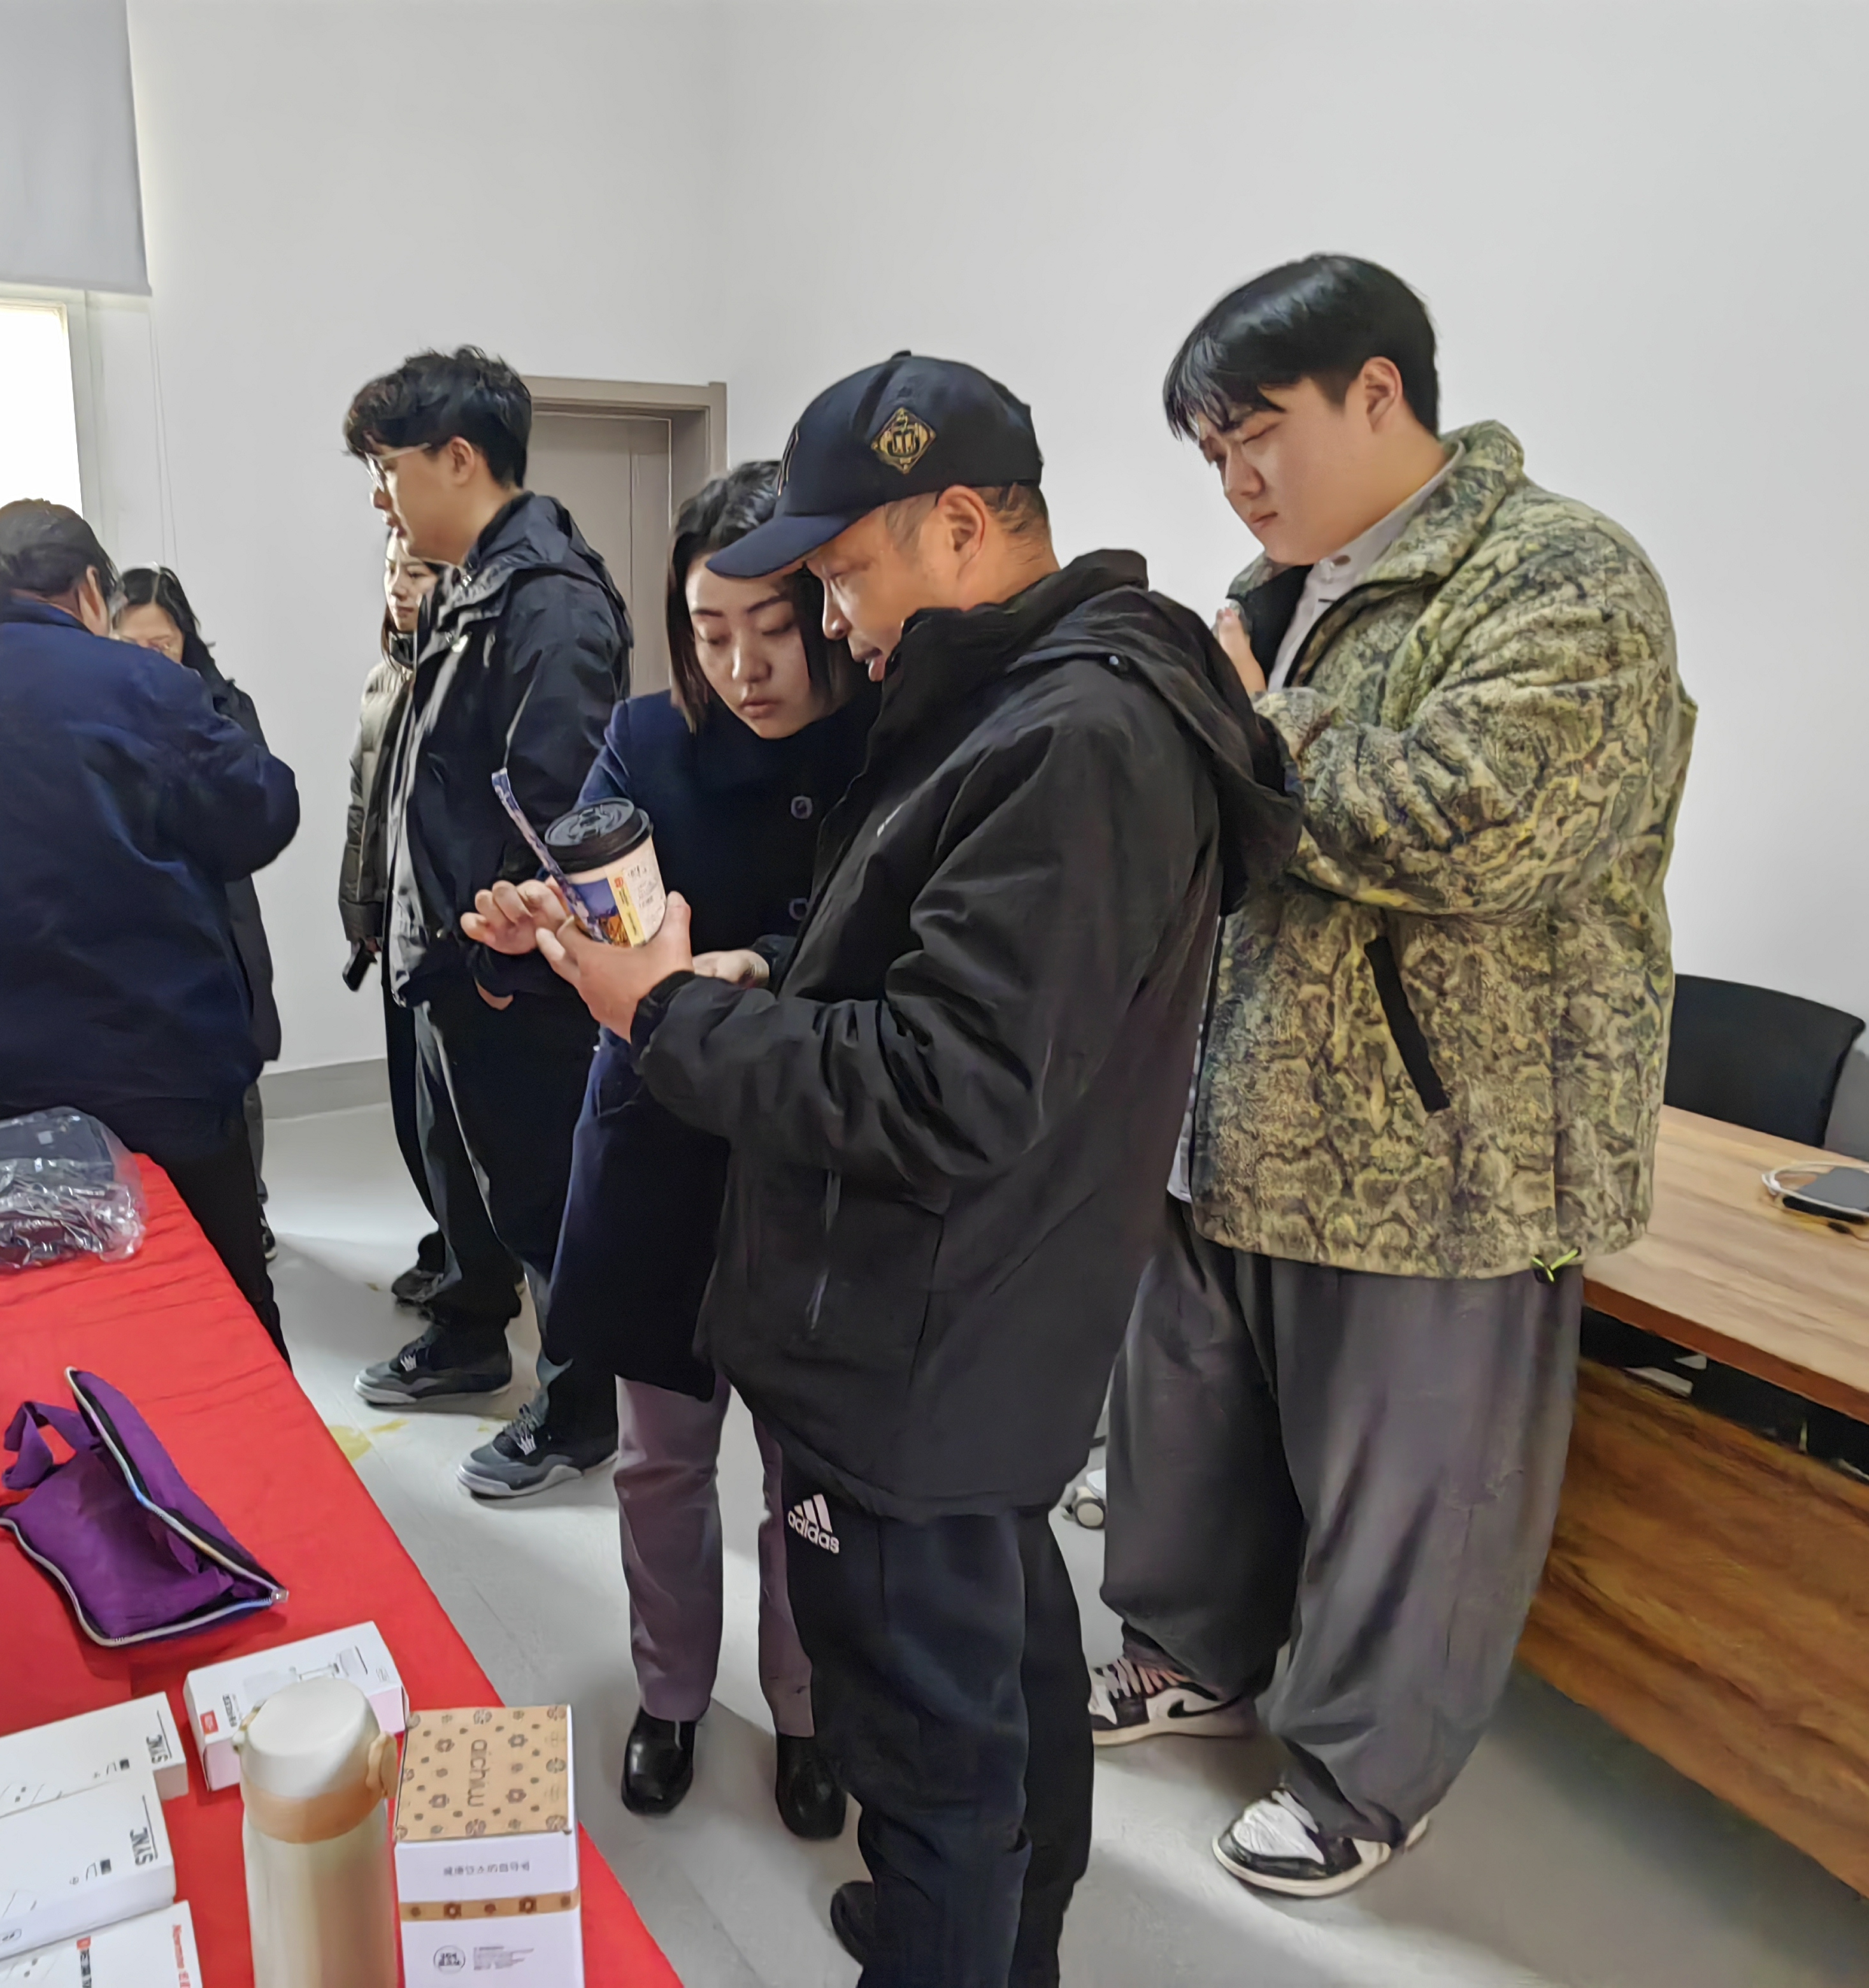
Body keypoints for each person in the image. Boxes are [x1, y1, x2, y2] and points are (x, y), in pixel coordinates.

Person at [520, 354, 1300, 1986]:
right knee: (1001, 1673)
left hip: (918, 1340)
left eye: (842, 576)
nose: (832, 623)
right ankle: (1007, 1942)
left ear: (956, 525)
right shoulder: (1021, 706)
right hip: (972, 1326)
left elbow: (946, 1083)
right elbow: (927, 971)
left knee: (927, 1756)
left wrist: (662, 1011)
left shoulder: (1070, 736)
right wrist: (756, 972)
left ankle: (955, 1941)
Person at [1092, 256, 1694, 1896]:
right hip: (1235, 1100)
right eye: (1212, 450)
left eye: (1258, 433)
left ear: (1377, 391)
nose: (1237, 478)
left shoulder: (1561, 576)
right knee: (1189, 1421)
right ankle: (1188, 1653)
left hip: (1439, 1146)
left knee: (1413, 1488)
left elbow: (1474, 822)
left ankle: (1366, 1776)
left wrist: (1244, 731)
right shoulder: (1276, 589)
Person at [464, 463, 869, 1841]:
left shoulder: (886, 737)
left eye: (774, 629)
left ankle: (808, 1712)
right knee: (659, 1458)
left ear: (829, 611)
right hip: (662, 1148)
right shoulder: (645, 737)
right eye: (711, 632)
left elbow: (889, 942)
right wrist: (537, 933)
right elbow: (594, 912)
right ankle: (673, 1693)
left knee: (809, 1482)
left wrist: (758, 966)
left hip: (816, 1162)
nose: (744, 668)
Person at [0, 500, 299, 1353]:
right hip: (160, 1072)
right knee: (222, 1317)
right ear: (90, 589)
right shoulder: (134, 683)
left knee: (65, 1326)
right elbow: (262, 814)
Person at [341, 347, 630, 1498]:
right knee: (468, 1181)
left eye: (389, 467)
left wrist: (493, 963)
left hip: (508, 970)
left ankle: (579, 1411)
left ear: (459, 458)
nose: (382, 497)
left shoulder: (547, 599)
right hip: (451, 961)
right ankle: (471, 1340)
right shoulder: (468, 587)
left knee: (547, 1203)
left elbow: (557, 816)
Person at [338, 533, 515, 1326]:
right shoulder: (384, 679)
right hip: (394, 927)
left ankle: (481, 1272)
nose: (399, 587)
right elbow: (364, 809)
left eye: (417, 571)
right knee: (415, 1116)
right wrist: (361, 913)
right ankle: (453, 1245)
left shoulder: (476, 678)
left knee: (464, 1125)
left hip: (451, 935)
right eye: (390, 571)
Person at [116, 563, 282, 1260]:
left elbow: (254, 805)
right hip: (138, 922)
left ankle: (250, 1205)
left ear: (186, 639)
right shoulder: (96, 717)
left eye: (164, 644)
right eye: (132, 646)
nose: (151, 659)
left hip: (220, 912)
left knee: (237, 1066)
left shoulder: (223, 707)